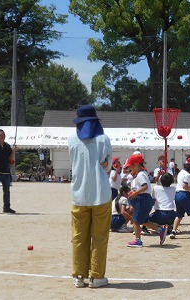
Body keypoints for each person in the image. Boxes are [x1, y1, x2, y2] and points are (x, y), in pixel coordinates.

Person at [69, 104, 112, 288]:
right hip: (101, 194)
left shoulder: (72, 140)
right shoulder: (104, 139)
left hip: (78, 195)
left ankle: (79, 276)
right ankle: (96, 277)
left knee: (79, 237)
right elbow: (107, 165)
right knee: (100, 237)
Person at [125, 153, 168, 247]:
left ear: (136, 164)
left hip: (142, 199)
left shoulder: (140, 174)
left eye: (131, 166)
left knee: (136, 220)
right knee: (143, 220)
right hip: (145, 199)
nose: (130, 169)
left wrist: (135, 193)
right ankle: (161, 230)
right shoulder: (143, 173)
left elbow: (145, 187)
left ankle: (138, 240)